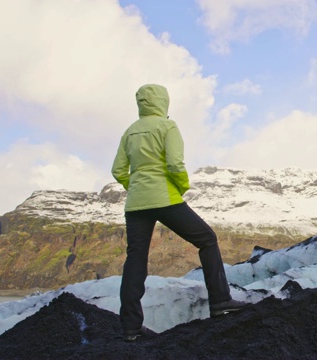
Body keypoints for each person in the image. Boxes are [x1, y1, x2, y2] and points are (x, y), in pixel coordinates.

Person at [112, 83, 246, 342]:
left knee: (136, 259)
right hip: (165, 197)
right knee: (207, 239)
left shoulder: (129, 132)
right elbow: (175, 163)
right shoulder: (167, 126)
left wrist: (137, 187)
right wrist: (181, 186)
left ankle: (130, 327)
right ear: (163, 102)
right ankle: (220, 302)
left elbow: (118, 170)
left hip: (136, 203)